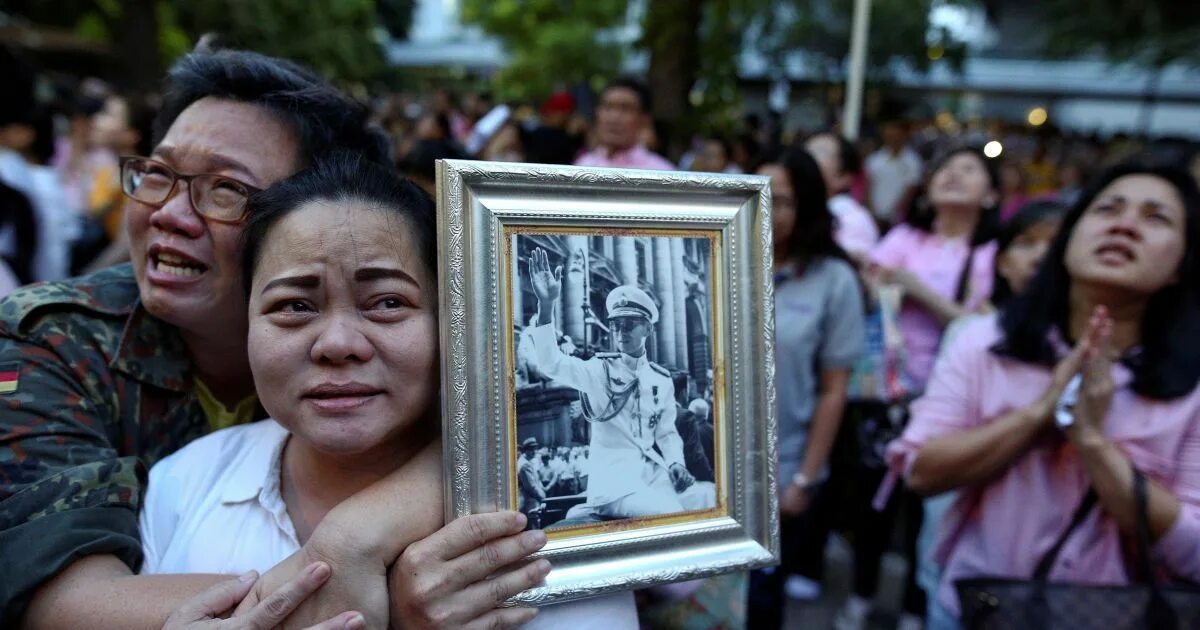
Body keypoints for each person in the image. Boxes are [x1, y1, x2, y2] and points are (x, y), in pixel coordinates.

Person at [0, 49, 548, 629]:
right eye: (158, 175)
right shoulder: (53, 341)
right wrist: (357, 574)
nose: (170, 214)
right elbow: (66, 605)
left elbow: (535, 418)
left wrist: (365, 534)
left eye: (226, 190)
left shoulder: (442, 346)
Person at [140, 153, 636, 627]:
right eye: (293, 306)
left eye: (387, 302)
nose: (338, 344)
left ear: (452, 322)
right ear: (247, 321)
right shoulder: (182, 485)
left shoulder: (531, 545)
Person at [890, 162, 1200, 628]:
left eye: (1155, 217)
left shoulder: (1193, 383)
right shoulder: (983, 341)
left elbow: (1194, 553)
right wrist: (1039, 413)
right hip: (979, 610)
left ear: (1182, 264)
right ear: (1069, 240)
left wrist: (1093, 441)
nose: (1124, 225)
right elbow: (920, 470)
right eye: (1107, 209)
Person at [748, 147, 866, 628]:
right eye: (759, 195)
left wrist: (804, 479)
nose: (770, 211)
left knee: (760, 598)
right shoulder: (715, 258)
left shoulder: (834, 280)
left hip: (782, 465)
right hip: (705, 469)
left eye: (786, 201)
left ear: (810, 206)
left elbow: (834, 389)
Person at [524, 262, 716, 520]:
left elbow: (667, 433)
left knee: (710, 496)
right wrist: (546, 306)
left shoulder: (660, 379)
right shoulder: (598, 370)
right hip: (613, 486)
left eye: (629, 324)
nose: (620, 332)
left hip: (653, 477)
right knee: (669, 514)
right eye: (615, 324)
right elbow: (552, 364)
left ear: (647, 328)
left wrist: (675, 464)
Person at [868, 146, 1000, 392]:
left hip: (955, 386)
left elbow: (979, 330)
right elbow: (870, 294)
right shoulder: (903, 237)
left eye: (968, 170)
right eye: (945, 169)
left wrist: (918, 290)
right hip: (888, 383)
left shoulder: (992, 253)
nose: (953, 175)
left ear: (991, 195)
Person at [804, 132, 880, 259]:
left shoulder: (854, 219)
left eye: (820, 152)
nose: (806, 157)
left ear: (843, 176)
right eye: (806, 150)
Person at [574, 78, 674, 171]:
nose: (614, 118)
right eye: (608, 107)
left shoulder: (661, 172)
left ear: (644, 119)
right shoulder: (582, 165)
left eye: (625, 109)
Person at [865, 119, 923, 224]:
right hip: (873, 215)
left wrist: (894, 213)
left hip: (897, 219)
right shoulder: (874, 159)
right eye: (889, 136)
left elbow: (911, 190)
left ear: (904, 135)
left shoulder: (913, 162)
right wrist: (871, 211)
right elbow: (868, 186)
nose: (893, 139)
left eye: (896, 135)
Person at [518, 438, 547, 528]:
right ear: (526, 450)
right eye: (531, 449)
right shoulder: (525, 465)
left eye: (535, 449)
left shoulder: (527, 462)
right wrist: (543, 497)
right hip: (530, 501)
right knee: (534, 528)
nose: (534, 452)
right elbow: (531, 487)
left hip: (530, 500)